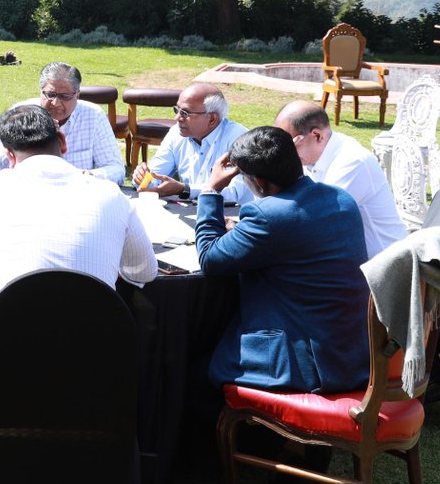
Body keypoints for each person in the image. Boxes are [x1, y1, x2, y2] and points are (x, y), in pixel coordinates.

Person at [0, 105, 157, 473]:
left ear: (8, 155)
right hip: (97, 356)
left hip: (10, 358)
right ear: (62, 141)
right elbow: (144, 271)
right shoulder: (111, 195)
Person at [196, 126, 369, 393]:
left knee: (195, 358)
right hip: (351, 355)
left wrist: (211, 190)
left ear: (260, 182)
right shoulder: (341, 199)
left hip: (304, 365)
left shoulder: (268, 216)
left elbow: (209, 258)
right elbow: (297, 236)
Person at [276, 100, 406, 258]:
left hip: (385, 265)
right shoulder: (313, 155)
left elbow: (315, 222)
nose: (285, 153)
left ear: (317, 136)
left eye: (289, 146)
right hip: (351, 259)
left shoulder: (352, 162)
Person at [0, 62, 126, 183]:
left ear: (77, 95)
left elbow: (116, 169)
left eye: (65, 96)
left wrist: (89, 176)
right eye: (50, 95)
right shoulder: (19, 115)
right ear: (41, 91)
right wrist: (25, 139)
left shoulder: (93, 115)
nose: (56, 103)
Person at [134, 82, 250, 201]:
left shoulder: (240, 140)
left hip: (235, 211)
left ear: (212, 119)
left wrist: (185, 189)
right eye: (177, 110)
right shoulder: (176, 133)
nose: (177, 118)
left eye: (185, 113)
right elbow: (155, 177)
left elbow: (232, 194)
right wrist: (143, 178)